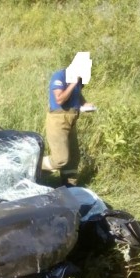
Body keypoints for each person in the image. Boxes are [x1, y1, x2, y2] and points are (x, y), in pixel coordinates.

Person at [42, 52, 94, 186]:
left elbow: (77, 95)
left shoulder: (80, 80)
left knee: (73, 157)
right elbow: (60, 98)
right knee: (61, 159)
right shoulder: (60, 76)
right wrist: (72, 83)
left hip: (72, 119)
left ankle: (70, 186)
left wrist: (84, 104)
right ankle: (35, 167)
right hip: (58, 120)